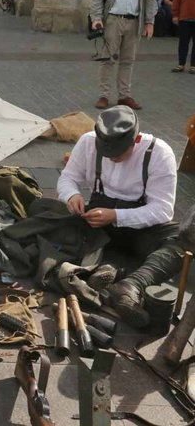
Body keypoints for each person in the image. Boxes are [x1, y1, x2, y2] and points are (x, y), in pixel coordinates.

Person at [57, 105, 183, 328]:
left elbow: (163, 210)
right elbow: (67, 178)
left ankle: (130, 282)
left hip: (141, 231)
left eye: (118, 153)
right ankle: (115, 269)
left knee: (182, 240)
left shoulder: (159, 153)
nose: (112, 157)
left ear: (135, 140)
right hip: (98, 227)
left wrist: (116, 215)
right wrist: (72, 195)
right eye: (106, 152)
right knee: (44, 209)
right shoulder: (88, 142)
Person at [89, 0, 157, 111]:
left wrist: (150, 22)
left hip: (134, 21)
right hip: (113, 20)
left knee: (128, 61)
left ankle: (124, 96)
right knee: (107, 59)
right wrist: (96, 18)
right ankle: (104, 95)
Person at [172, 0, 195, 73]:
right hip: (185, 17)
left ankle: (193, 65)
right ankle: (181, 64)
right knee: (183, 42)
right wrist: (175, 14)